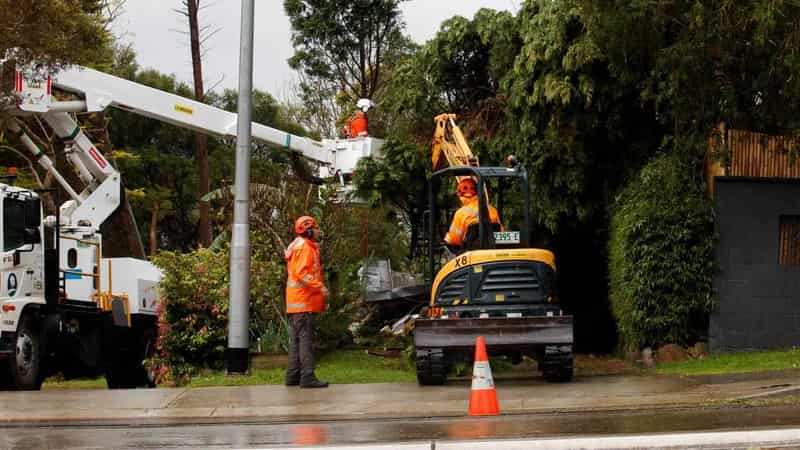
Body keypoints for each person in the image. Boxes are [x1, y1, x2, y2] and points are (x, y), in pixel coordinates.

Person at [284, 215, 330, 388]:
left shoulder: (297, 245)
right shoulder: (305, 248)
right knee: (305, 340)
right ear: (309, 230)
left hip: (296, 302)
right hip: (304, 301)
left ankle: (293, 376)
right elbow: (303, 274)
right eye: (316, 228)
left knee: (297, 340)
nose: (319, 231)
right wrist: (321, 287)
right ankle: (307, 376)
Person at [443, 178, 503, 249]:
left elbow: (454, 239)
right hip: (493, 250)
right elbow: (501, 232)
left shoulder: (460, 213)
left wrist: (447, 239)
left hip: (470, 252)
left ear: (460, 193)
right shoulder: (492, 210)